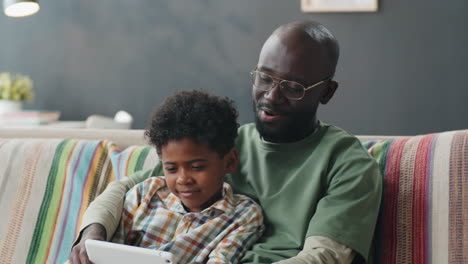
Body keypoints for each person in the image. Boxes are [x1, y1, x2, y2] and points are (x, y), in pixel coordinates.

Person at [71, 20, 382, 263]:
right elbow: (125, 188)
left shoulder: (347, 163)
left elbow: (324, 257)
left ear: (326, 92)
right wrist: (92, 236)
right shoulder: (220, 142)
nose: (271, 97)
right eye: (265, 78)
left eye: (293, 87)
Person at [70, 90, 264, 263]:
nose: (183, 179)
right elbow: (109, 251)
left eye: (196, 167)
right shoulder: (145, 194)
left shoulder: (243, 215)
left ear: (229, 162)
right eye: (171, 169)